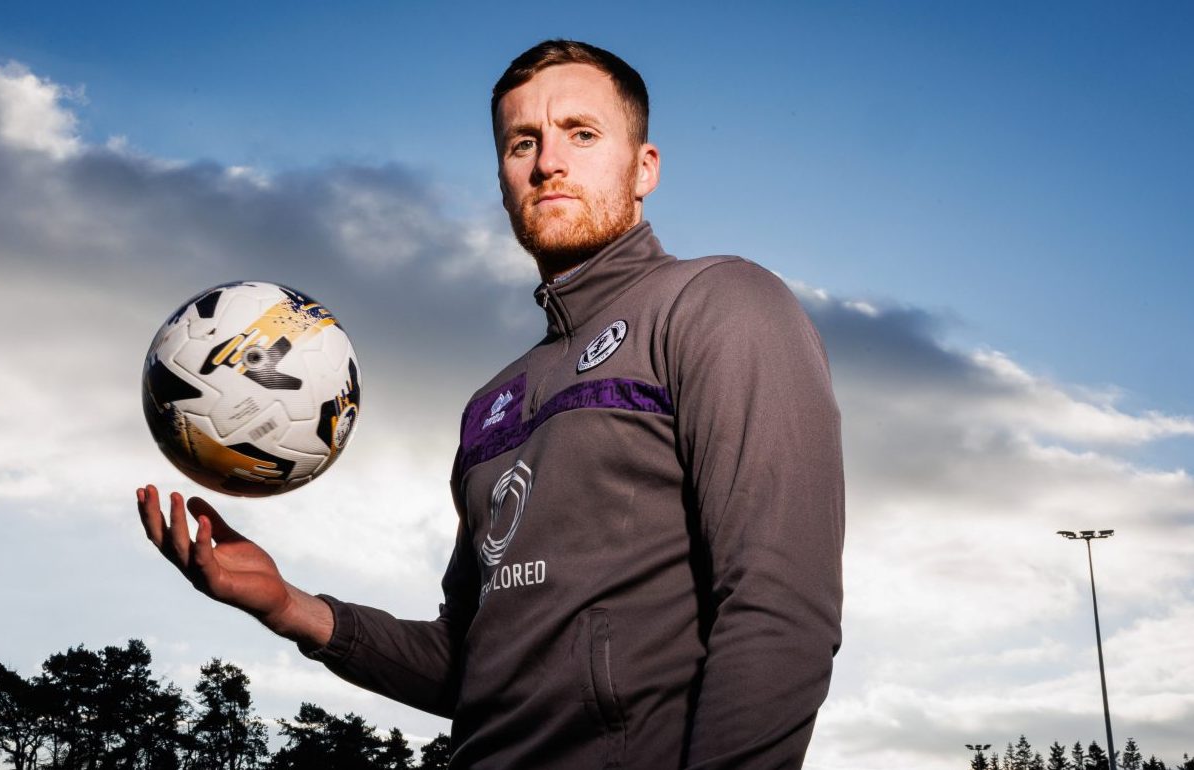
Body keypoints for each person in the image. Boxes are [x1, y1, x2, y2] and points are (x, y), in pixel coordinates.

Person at [138, 39, 844, 769]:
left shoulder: (720, 305)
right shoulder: (491, 406)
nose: (548, 163)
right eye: (522, 143)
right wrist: (290, 607)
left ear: (644, 169)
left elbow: (780, 608)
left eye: (582, 133)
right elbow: (468, 664)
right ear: (504, 178)